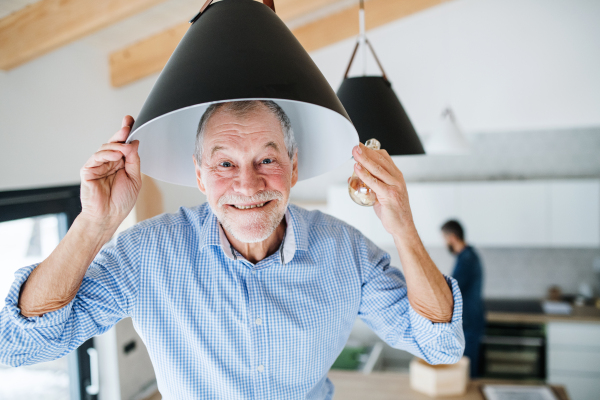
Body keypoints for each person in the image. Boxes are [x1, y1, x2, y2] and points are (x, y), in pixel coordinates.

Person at [1, 101, 464, 399]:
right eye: (225, 163)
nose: (247, 183)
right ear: (200, 176)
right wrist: (93, 225)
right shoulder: (146, 253)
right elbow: (19, 344)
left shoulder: (346, 251)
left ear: (293, 167)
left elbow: (439, 344)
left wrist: (402, 227)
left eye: (267, 159)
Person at [441, 220, 484, 377]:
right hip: (471, 319)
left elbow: (451, 290)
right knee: (467, 367)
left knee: (467, 371)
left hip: (469, 322)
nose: (445, 243)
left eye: (445, 239)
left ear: (452, 237)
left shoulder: (466, 259)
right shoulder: (467, 255)